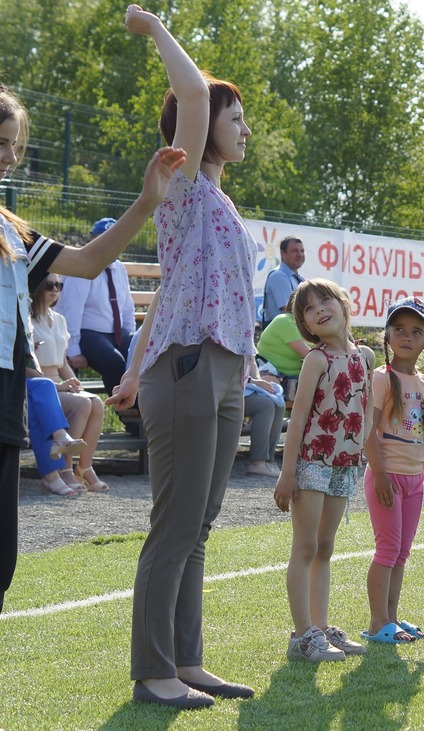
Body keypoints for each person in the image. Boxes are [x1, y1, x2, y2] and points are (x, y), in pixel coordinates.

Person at [1, 80, 185, 615]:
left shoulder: (11, 231)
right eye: (1, 143)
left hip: (8, 398)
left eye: (16, 145)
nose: (12, 157)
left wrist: (148, 199)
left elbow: (85, 261)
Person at [125, 4, 258, 707]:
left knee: (200, 521)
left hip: (225, 366)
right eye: (235, 119)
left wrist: (125, 368)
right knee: (176, 520)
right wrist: (152, 29)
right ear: (194, 130)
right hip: (188, 366)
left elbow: (179, 288)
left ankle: (187, 659)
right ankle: (153, 670)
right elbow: (198, 94)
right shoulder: (179, 184)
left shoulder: (219, 203)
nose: (243, 129)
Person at [273, 279, 373, 660]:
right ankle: (303, 635)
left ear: (344, 304)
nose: (320, 309)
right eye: (310, 309)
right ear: (307, 325)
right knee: (306, 546)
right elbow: (296, 421)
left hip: (344, 466)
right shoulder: (316, 360)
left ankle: (321, 626)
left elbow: (367, 407)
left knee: (326, 547)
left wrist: (360, 445)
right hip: (312, 462)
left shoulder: (365, 356)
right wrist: (287, 473)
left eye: (325, 300)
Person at [362, 297, 424, 643]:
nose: (406, 337)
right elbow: (369, 431)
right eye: (399, 329)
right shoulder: (382, 378)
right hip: (387, 477)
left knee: (402, 553)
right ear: (388, 336)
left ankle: (392, 618)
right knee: (387, 549)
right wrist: (380, 474)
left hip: (413, 481)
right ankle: (377, 623)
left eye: (416, 331)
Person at [30, 273, 109, 491]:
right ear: (36, 287)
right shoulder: (26, 320)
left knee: (95, 402)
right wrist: (60, 386)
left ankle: (84, 466)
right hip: (41, 386)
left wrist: (72, 381)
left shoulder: (60, 319)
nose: (55, 289)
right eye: (49, 285)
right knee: (83, 404)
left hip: (59, 384)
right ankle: (65, 468)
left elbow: (63, 362)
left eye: (59, 285)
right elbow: (26, 368)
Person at [52, 217, 137, 396]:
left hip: (115, 333)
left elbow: (127, 307)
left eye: (115, 239)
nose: (109, 244)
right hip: (86, 333)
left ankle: (143, 409)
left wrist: (130, 338)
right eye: (102, 238)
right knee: (114, 361)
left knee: (141, 355)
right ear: (92, 240)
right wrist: (73, 349)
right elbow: (72, 310)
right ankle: (128, 413)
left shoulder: (119, 268)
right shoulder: (83, 268)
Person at [257, 309, 310, 401]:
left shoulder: (311, 326)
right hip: (272, 375)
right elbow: (309, 355)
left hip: (296, 379)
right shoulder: (285, 321)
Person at [262, 236, 305, 328]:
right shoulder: (278, 276)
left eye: (302, 251)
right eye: (294, 251)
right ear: (283, 253)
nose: (300, 254)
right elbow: (289, 309)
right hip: (281, 336)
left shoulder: (299, 278)